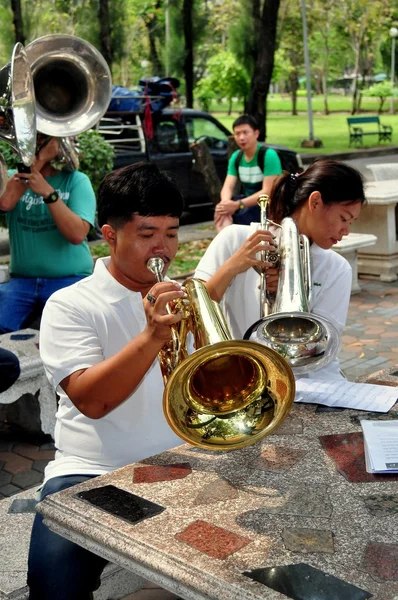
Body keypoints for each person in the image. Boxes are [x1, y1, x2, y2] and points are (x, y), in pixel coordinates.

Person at [27, 162, 185, 600]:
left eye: (171, 233)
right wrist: (153, 335)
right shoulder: (71, 304)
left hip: (180, 466)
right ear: (110, 235)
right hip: (94, 472)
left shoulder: (182, 297)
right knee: (53, 588)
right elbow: (92, 400)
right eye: (147, 234)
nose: (163, 249)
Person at [196, 159, 366, 380]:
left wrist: (285, 297)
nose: (345, 231)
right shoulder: (234, 239)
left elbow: (321, 348)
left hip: (311, 383)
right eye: (343, 218)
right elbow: (193, 310)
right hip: (241, 378)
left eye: (351, 222)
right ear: (315, 202)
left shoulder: (337, 267)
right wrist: (233, 266)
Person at [0, 135, 96, 333]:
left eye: (44, 138)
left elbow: (77, 234)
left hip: (70, 278)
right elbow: (5, 203)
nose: (37, 142)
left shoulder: (76, 181)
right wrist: (38, 161)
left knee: (67, 332)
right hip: (21, 281)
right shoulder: (14, 177)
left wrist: (48, 194)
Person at [214, 115, 282, 232]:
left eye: (245, 133)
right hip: (247, 204)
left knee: (242, 215)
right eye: (237, 134)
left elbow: (267, 192)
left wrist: (237, 205)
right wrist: (225, 205)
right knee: (221, 212)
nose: (241, 138)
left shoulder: (268, 155)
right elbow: (227, 186)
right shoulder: (236, 157)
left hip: (267, 206)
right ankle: (228, 243)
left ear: (256, 133)